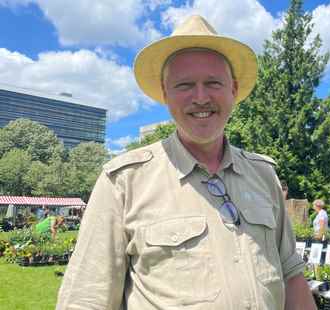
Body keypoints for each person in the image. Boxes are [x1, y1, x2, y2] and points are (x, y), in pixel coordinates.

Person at [57, 15, 315, 310]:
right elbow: (86, 299)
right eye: (185, 85)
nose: (201, 97)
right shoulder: (123, 181)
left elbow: (291, 274)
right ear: (165, 94)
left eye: (213, 82)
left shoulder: (263, 174)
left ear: (233, 89)